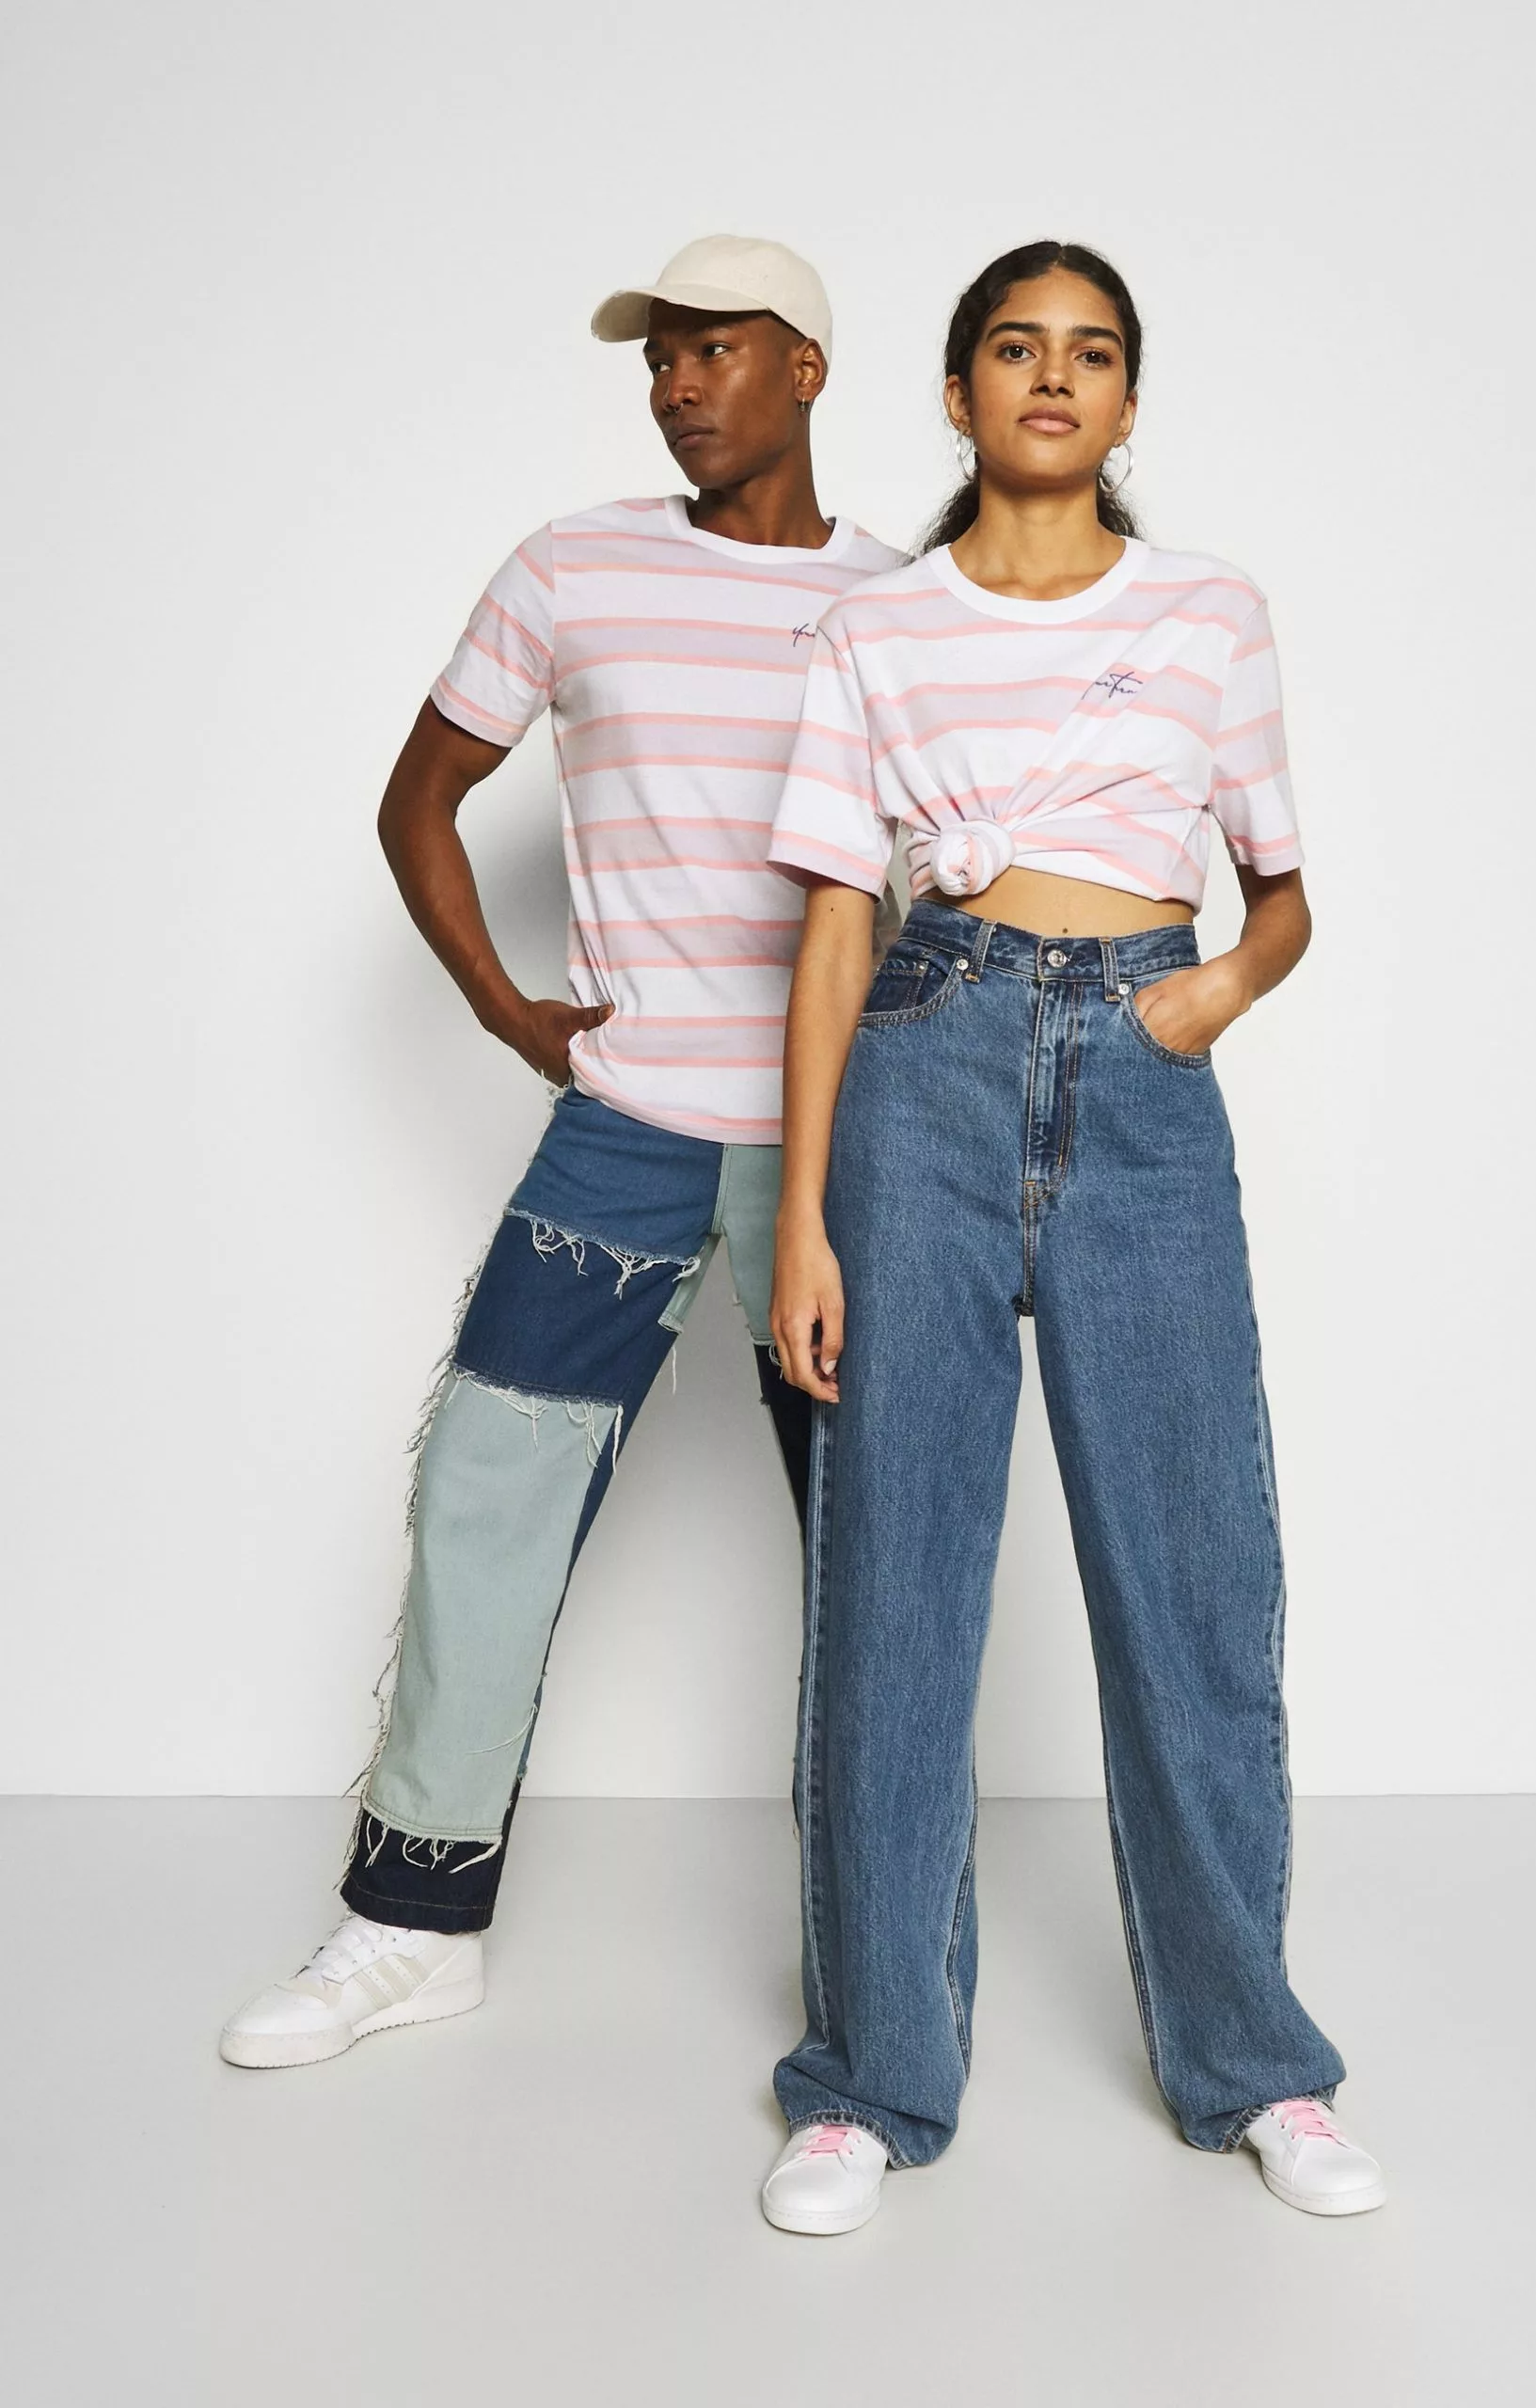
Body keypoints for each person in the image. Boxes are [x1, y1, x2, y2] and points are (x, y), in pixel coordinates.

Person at [755, 240, 1386, 2229]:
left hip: (1141, 1070)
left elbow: (1282, 889)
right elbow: (833, 925)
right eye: (1015, 348)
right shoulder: (872, 629)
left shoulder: (1211, 613)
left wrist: (1214, 996)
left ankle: (1255, 2063)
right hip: (922, 1070)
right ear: (956, 395)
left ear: (1125, 400)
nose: (1053, 376)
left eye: (1091, 352)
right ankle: (870, 2078)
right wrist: (799, 1218)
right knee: (896, 1585)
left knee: (1194, 1574)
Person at [220, 237, 901, 2069]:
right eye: (660, 356)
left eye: (714, 349)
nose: (676, 382)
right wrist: (509, 1009)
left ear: (806, 369)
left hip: (841, 1152)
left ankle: (885, 1964)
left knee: (882, 1543)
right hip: (627, 1128)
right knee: (483, 1498)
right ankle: (412, 1923)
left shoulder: (901, 600)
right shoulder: (572, 566)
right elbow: (420, 799)